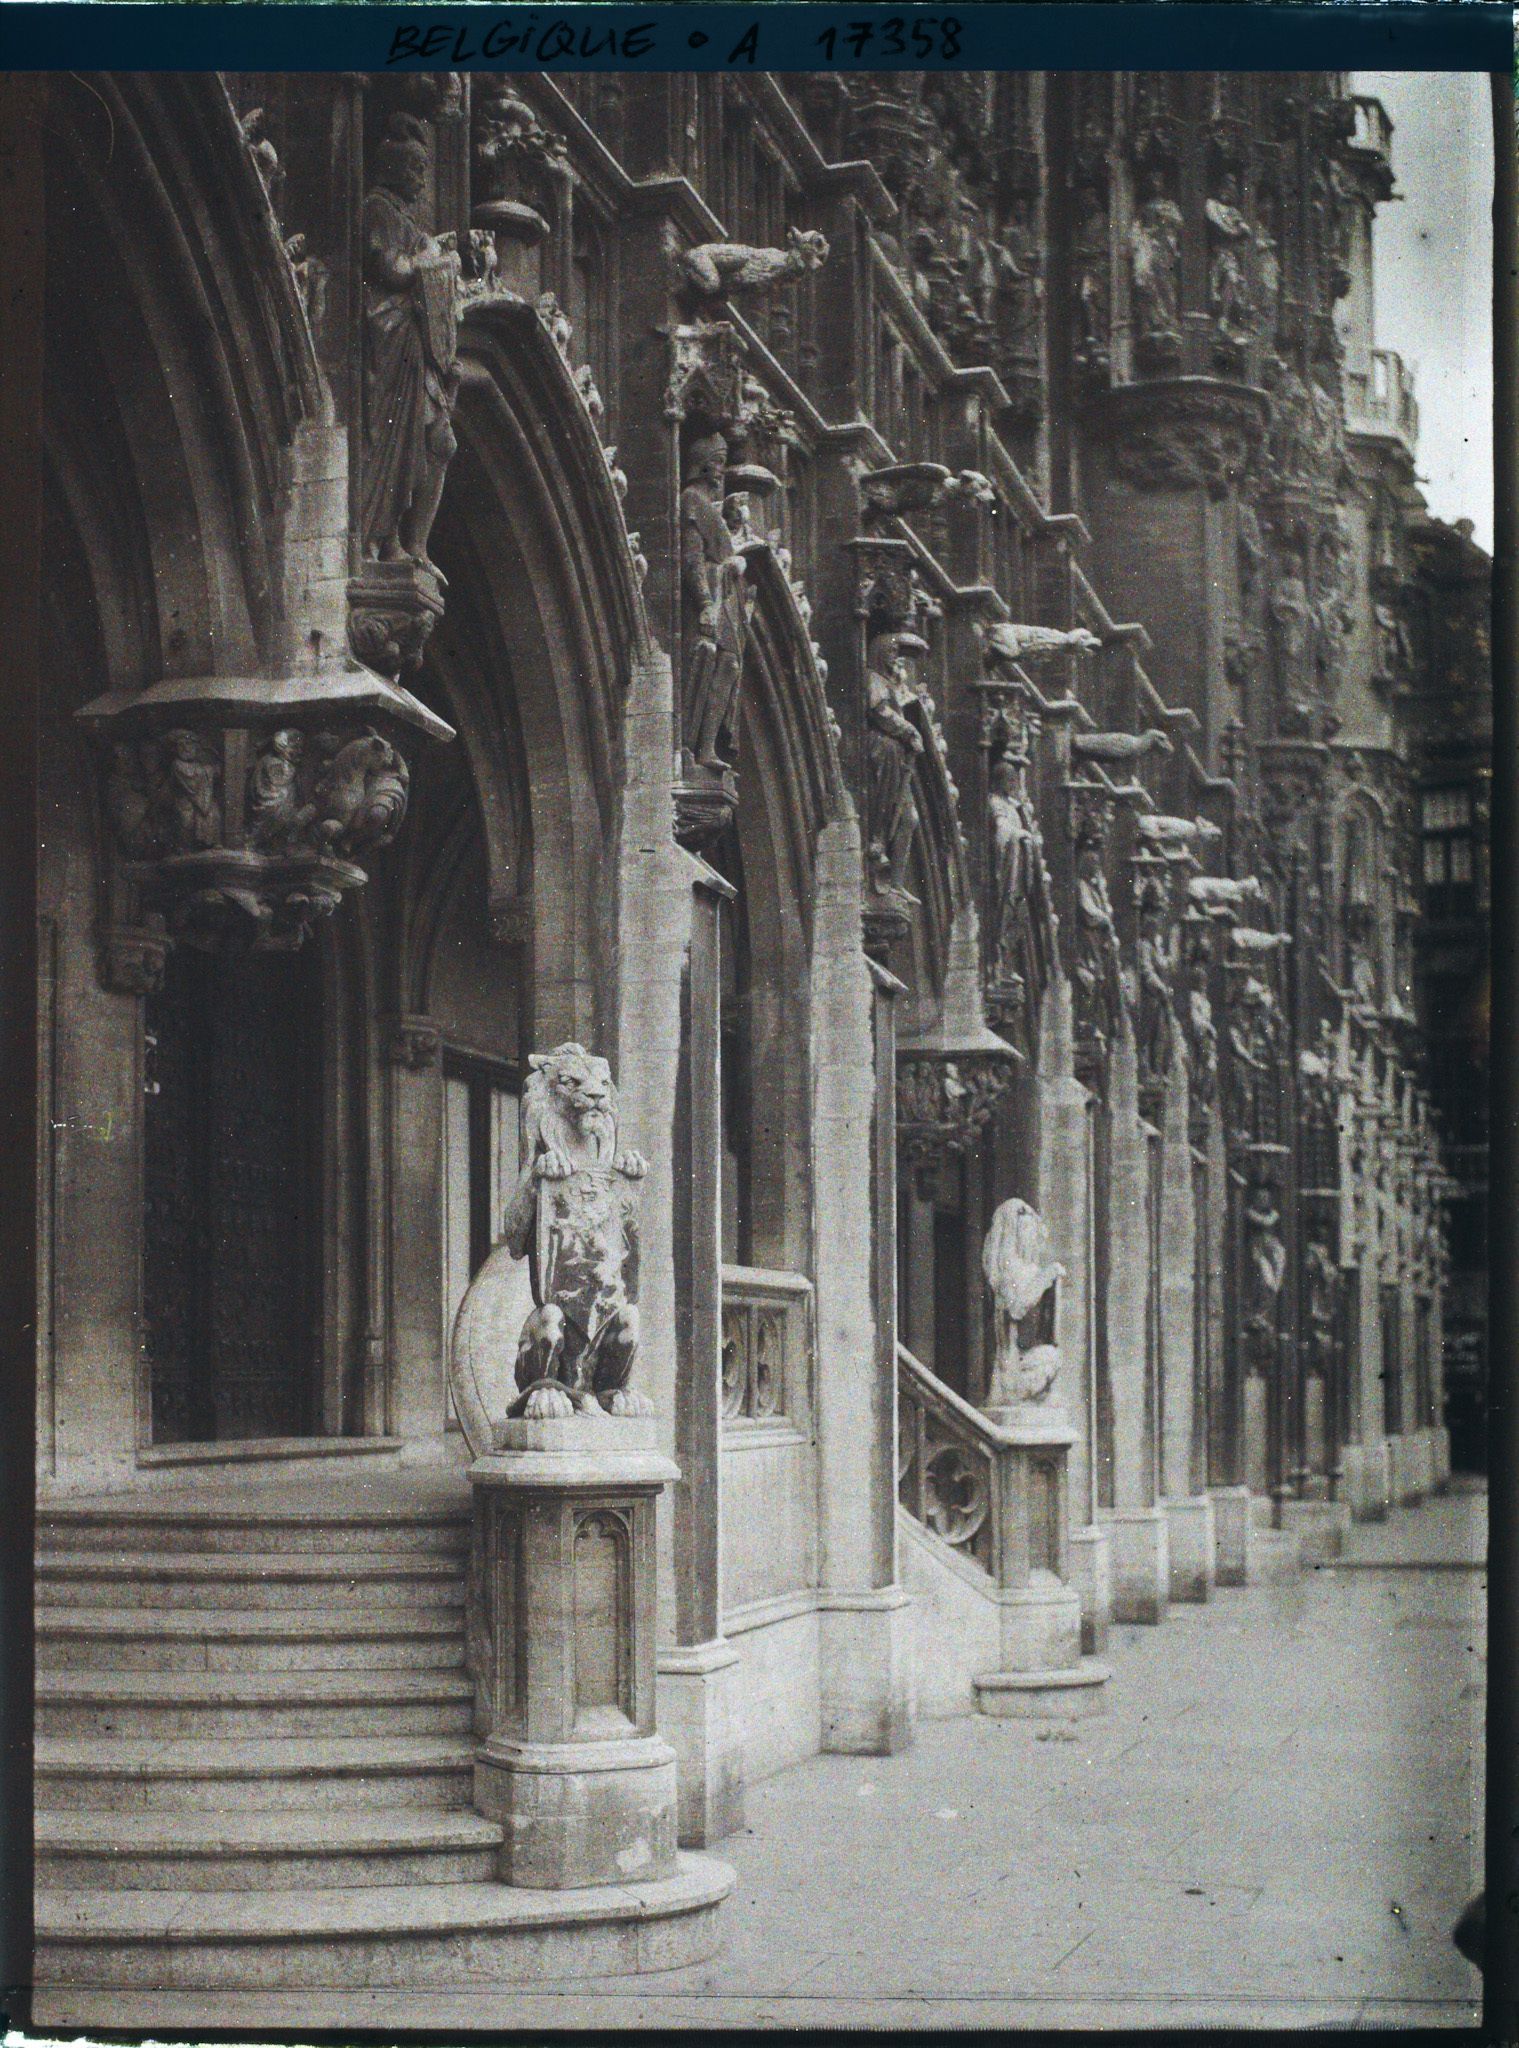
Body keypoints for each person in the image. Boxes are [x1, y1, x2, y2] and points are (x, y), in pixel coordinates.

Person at [360, 112, 461, 571]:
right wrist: (427, 259)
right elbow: (391, 271)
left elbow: (417, 260)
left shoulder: (405, 218)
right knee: (404, 440)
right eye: (416, 170)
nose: (422, 181)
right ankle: (386, 538)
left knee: (442, 441)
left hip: (418, 346)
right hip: (393, 338)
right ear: (393, 169)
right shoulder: (377, 208)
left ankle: (416, 543)